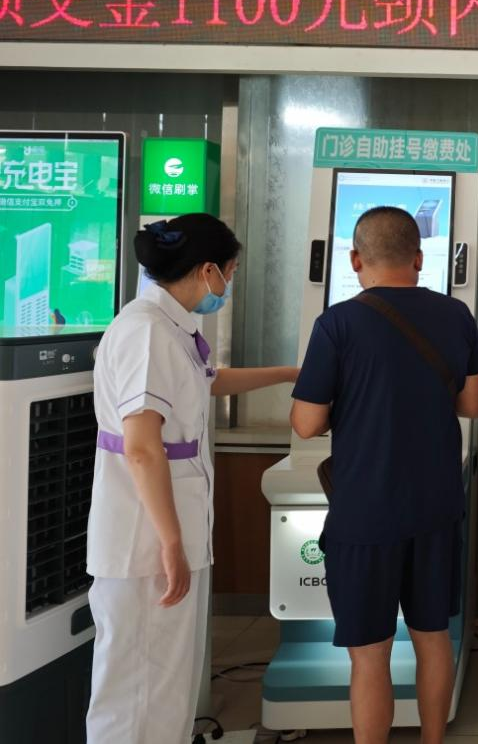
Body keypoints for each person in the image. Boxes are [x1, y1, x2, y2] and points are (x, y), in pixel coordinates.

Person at [86, 214, 299, 744]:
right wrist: (170, 542)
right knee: (138, 685)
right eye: (231, 272)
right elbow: (141, 448)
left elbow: (209, 380)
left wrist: (291, 373)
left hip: (164, 534)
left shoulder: (172, 326)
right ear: (208, 270)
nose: (229, 283)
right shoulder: (146, 333)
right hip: (145, 541)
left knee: (166, 681)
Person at [290, 205, 478, 744]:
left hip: (364, 514)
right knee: (433, 638)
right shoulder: (457, 316)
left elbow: (306, 424)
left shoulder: (337, 323)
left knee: (370, 655)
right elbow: (471, 404)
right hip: (436, 508)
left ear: (355, 259)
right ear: (419, 259)